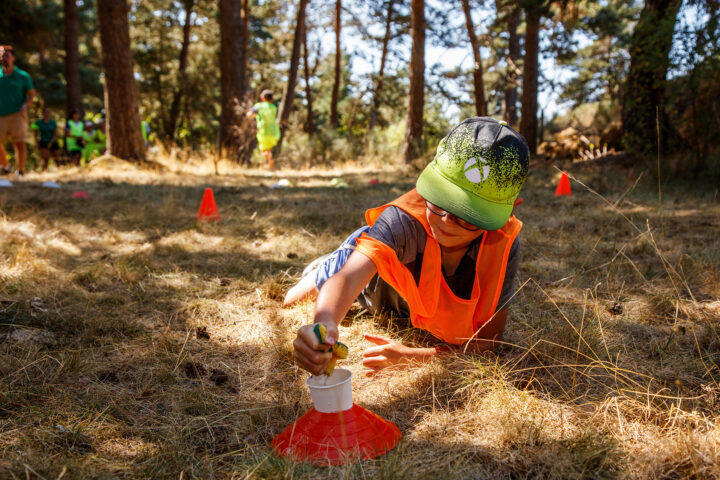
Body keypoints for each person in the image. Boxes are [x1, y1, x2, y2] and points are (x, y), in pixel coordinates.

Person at [287, 117, 529, 376]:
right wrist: (323, 323)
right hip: (371, 282)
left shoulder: (502, 243)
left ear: (507, 211)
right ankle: (323, 266)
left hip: (406, 303)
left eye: (468, 215)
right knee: (292, 300)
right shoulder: (401, 220)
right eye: (439, 201)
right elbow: (346, 281)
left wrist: (412, 357)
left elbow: (488, 344)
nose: (446, 220)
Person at [0, 45, 35, 176]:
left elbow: (31, 93)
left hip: (17, 114)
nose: (4, 57)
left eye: (7, 55)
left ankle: (20, 171)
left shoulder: (23, 76)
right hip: (0, 115)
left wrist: (25, 105)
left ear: (13, 58)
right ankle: (5, 166)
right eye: (2, 55)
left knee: (19, 143)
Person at [246, 89, 281, 170]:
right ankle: (271, 168)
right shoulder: (274, 107)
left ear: (262, 98)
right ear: (271, 99)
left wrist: (255, 116)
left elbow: (249, 115)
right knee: (270, 150)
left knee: (264, 151)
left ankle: (269, 158)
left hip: (264, 131)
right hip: (274, 132)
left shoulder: (259, 106)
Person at [31, 107, 59, 171]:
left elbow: (55, 133)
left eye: (48, 112)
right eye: (46, 112)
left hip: (53, 141)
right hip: (43, 141)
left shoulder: (53, 122)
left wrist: (52, 141)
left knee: (56, 157)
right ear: (43, 113)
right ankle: (44, 171)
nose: (47, 114)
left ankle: (59, 169)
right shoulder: (39, 122)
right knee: (46, 158)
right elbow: (36, 134)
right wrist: (37, 143)